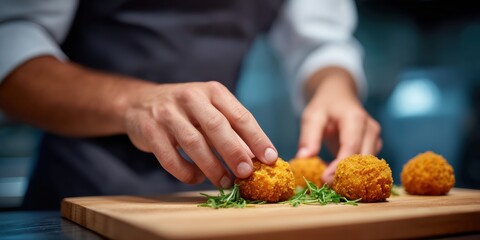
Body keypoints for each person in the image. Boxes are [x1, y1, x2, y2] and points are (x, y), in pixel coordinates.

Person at [0, 0, 381, 209]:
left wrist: (335, 87)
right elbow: (11, 40)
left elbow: (321, 41)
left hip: (218, 191)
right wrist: (134, 102)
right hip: (81, 194)